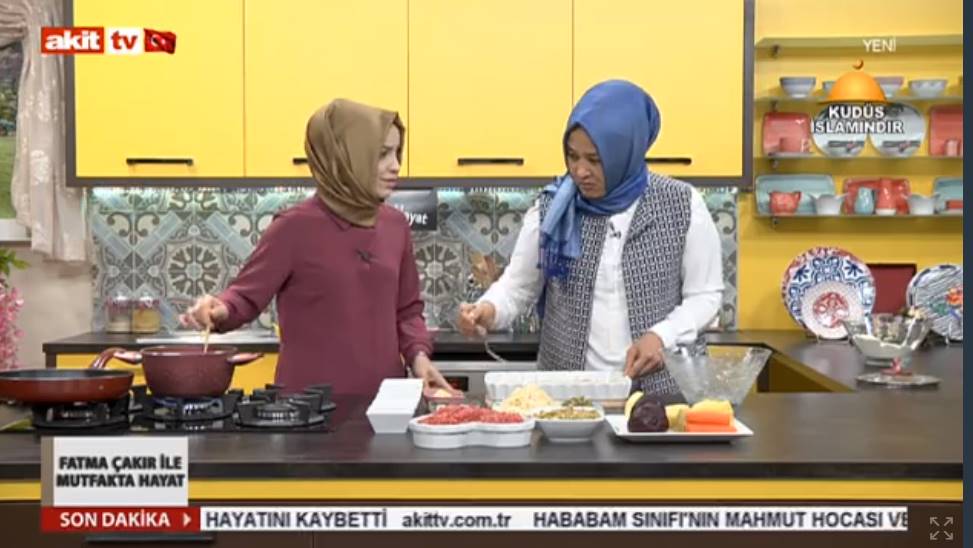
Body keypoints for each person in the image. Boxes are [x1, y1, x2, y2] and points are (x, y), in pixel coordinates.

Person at [457, 80, 723, 399]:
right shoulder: (551, 209)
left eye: (594, 160)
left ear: (626, 152)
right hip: (566, 399)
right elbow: (518, 288)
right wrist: (487, 309)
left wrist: (662, 336)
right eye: (572, 156)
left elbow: (705, 296)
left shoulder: (681, 204)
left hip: (661, 397)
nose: (580, 171)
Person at [182, 99, 451, 396]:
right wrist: (220, 309)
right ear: (345, 157)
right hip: (306, 409)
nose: (396, 166)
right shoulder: (293, 226)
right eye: (382, 154)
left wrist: (419, 358)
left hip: (384, 408)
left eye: (397, 152)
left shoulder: (395, 225)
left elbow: (408, 311)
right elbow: (245, 295)